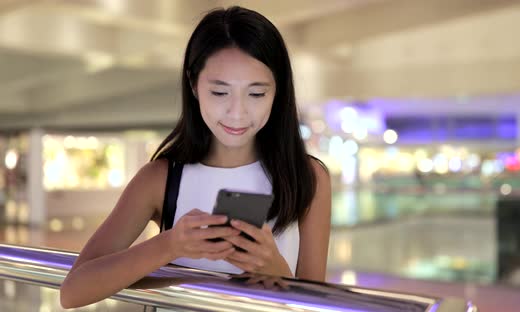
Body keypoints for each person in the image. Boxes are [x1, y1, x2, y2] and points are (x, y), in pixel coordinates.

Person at [60, 6, 331, 308]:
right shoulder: (160, 178)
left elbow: (317, 306)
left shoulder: (307, 177)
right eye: (219, 92)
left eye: (256, 94)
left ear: (278, 91)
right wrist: (170, 245)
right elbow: (73, 292)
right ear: (193, 85)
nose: (237, 112)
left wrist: (276, 270)